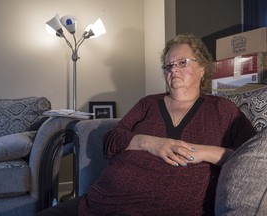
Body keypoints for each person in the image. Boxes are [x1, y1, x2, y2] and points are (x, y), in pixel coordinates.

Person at [37, 33, 256, 216]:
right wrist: (150, 143)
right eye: (168, 66)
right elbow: (111, 142)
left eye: (182, 63)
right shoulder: (148, 104)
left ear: (203, 69)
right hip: (100, 203)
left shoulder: (222, 109)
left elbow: (254, 158)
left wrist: (202, 152)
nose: (173, 70)